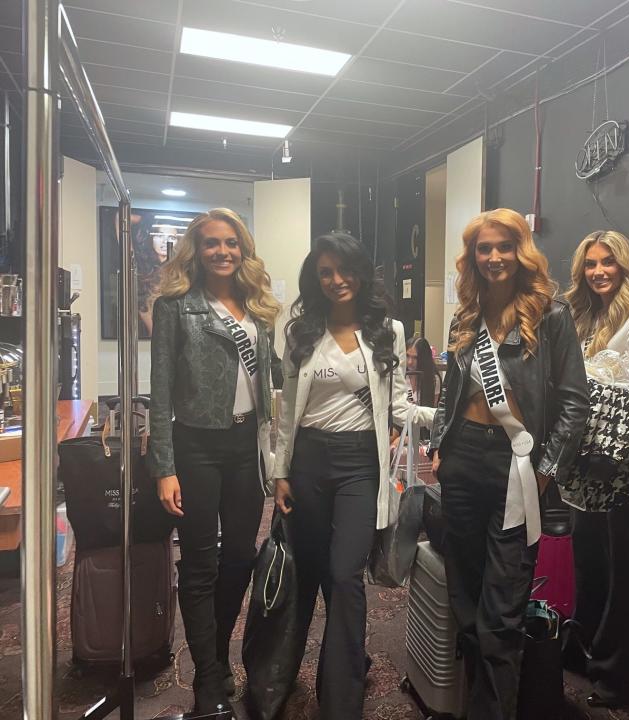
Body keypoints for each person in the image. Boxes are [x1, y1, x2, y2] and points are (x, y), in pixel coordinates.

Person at [429, 208, 590, 720]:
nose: (494, 257)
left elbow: (574, 403)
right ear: (472, 257)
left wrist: (545, 471)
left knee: (502, 608)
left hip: (517, 465)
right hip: (461, 463)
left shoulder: (553, 315)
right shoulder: (466, 315)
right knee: (467, 601)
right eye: (484, 248)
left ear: (521, 252)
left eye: (504, 246)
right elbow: (449, 391)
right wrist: (439, 443)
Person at [272, 233, 435, 719]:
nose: (337, 280)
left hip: (360, 466)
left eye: (345, 270)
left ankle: (341, 699)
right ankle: (335, 660)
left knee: (346, 575)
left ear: (361, 274)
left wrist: (448, 416)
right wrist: (280, 470)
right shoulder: (301, 331)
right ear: (315, 279)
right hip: (307, 462)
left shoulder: (388, 331)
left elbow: (400, 403)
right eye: (325, 272)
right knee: (315, 573)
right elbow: (286, 412)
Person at [148, 208, 281, 714]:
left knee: (243, 556)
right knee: (201, 563)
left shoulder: (257, 306)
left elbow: (270, 380)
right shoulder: (175, 306)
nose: (222, 251)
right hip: (196, 448)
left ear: (242, 249)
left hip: (246, 446)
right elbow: (158, 394)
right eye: (211, 244)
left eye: (231, 243)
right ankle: (208, 679)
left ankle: (217, 653)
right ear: (195, 251)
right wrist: (164, 466)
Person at [561, 230, 629, 707]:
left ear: (625, 267)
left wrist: (612, 455)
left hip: (623, 468)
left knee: (623, 574)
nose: (599, 271)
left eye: (608, 263)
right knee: (592, 565)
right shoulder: (588, 314)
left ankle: (625, 678)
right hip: (589, 464)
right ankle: (591, 656)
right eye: (591, 263)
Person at [406, 335, 440, 407]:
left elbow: (432, 410)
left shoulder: (434, 379)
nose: (410, 362)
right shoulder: (399, 375)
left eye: (415, 358)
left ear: (424, 358)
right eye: (407, 356)